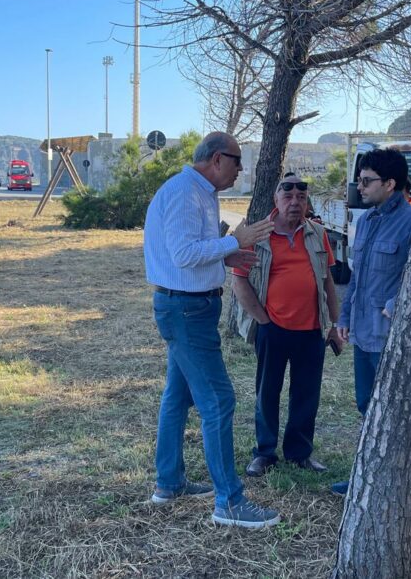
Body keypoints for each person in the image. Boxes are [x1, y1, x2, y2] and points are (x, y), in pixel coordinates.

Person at [143, 131, 281, 529]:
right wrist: (233, 242)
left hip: (188, 307)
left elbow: (190, 251)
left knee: (177, 396)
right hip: (186, 310)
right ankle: (229, 502)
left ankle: (169, 483)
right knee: (219, 400)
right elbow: (184, 254)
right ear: (218, 159)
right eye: (238, 161)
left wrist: (227, 255)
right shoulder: (185, 193)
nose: (241, 169)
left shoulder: (200, 192)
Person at [231, 174, 341, 478]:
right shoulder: (257, 235)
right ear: (275, 200)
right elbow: (239, 282)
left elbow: (327, 282)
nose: (295, 203)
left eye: (301, 198)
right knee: (267, 392)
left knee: (307, 394)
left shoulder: (318, 233)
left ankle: (299, 453)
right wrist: (263, 321)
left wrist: (333, 324)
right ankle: (264, 453)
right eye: (288, 196)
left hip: (311, 329)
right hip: (273, 329)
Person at [331, 148, 411, 495]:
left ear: (390, 183)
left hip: (390, 336)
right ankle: (366, 477)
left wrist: (394, 306)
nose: (360, 188)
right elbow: (357, 276)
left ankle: (389, 481)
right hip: (363, 334)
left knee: (390, 411)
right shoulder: (366, 220)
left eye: (367, 181)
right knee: (366, 404)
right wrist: (344, 316)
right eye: (359, 180)